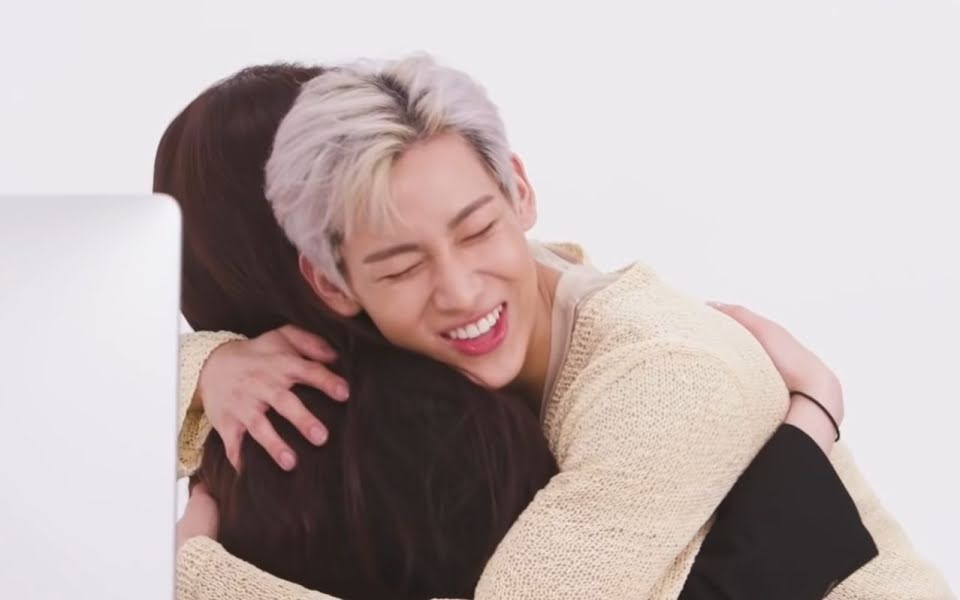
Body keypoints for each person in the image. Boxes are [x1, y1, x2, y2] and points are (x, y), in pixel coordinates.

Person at [156, 64, 899, 599]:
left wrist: (188, 574)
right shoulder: (405, 358)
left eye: (477, 229)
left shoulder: (664, 378)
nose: (460, 291)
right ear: (331, 284)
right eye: (402, 265)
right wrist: (213, 363)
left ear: (520, 191)